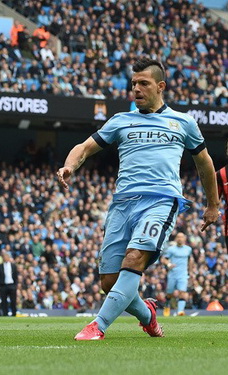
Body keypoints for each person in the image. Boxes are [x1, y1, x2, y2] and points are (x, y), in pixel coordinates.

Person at [57, 57, 219, 340]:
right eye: (133, 84)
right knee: (110, 281)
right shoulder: (121, 121)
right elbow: (84, 148)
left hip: (161, 200)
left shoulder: (183, 122)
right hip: (122, 203)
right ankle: (148, 315)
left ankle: (97, 326)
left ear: (160, 86)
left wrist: (212, 205)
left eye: (143, 83)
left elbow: (204, 163)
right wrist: (71, 165)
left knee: (134, 259)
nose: (136, 89)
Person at [162, 232, 192, 316]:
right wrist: (169, 264)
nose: (180, 239)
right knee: (170, 294)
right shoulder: (171, 249)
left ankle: (180, 311)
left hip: (183, 274)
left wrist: (191, 272)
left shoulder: (188, 249)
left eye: (181, 237)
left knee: (182, 292)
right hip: (173, 274)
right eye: (178, 237)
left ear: (184, 239)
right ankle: (167, 306)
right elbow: (164, 259)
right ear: (176, 238)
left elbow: (190, 261)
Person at [0, 251, 18, 317]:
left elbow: (15, 276)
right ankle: (5, 314)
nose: (5, 258)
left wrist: (15, 285)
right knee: (4, 301)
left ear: (9, 258)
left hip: (12, 285)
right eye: (4, 257)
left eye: (6, 257)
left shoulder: (13, 266)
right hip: (3, 286)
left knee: (13, 301)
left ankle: (14, 314)